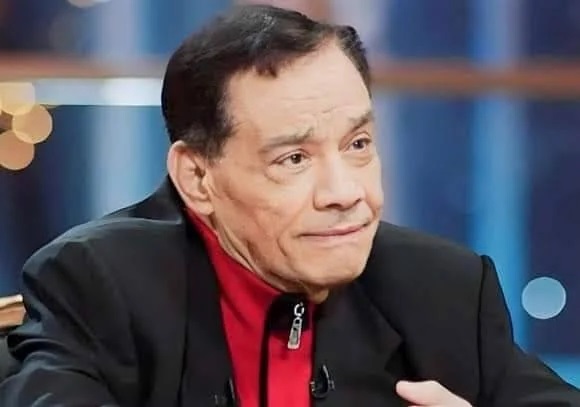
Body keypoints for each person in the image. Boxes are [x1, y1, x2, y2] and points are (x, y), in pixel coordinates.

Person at [0, 4, 579, 407]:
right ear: (197, 177)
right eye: (294, 159)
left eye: (358, 145)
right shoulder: (97, 282)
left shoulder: (443, 289)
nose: (345, 192)